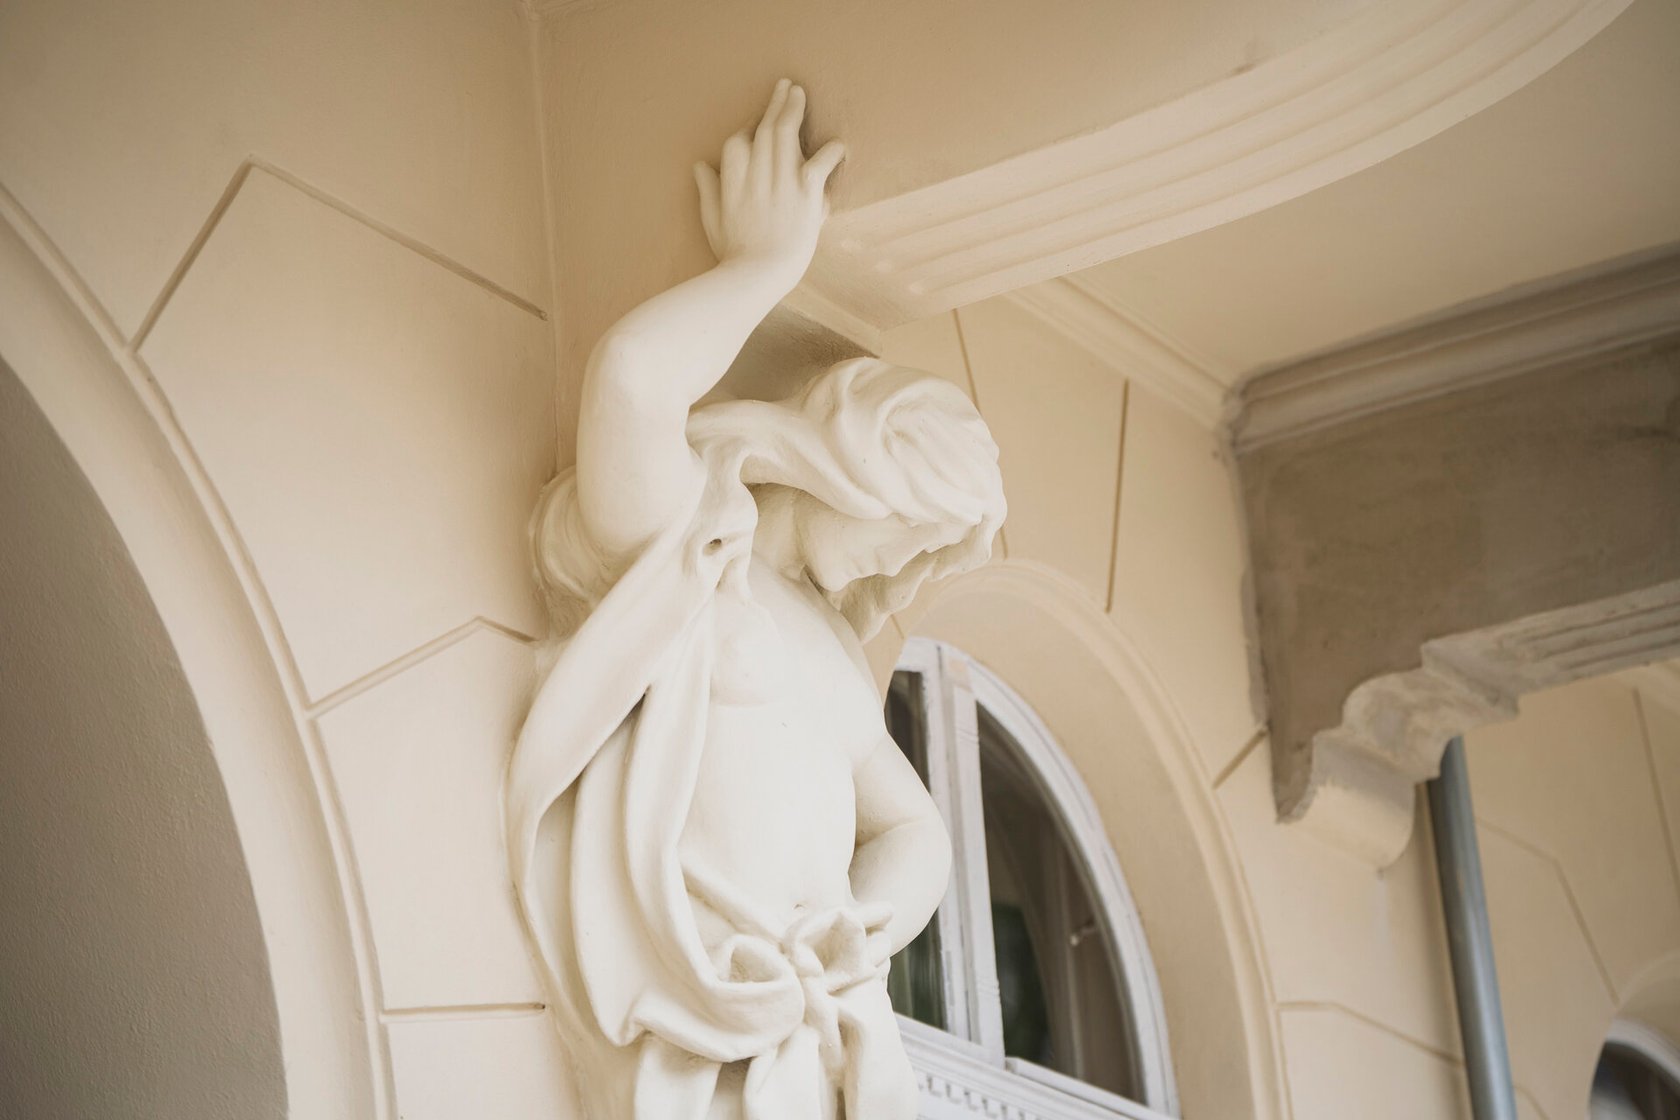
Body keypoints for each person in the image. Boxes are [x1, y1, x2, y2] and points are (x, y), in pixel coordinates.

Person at [505, 79, 1006, 1120]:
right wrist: (762, 268)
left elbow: (915, 830)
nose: (897, 569)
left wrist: (857, 929)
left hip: (798, 1022)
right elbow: (631, 382)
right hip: (696, 1002)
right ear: (849, 470)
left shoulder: (828, 644)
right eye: (905, 535)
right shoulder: (688, 545)